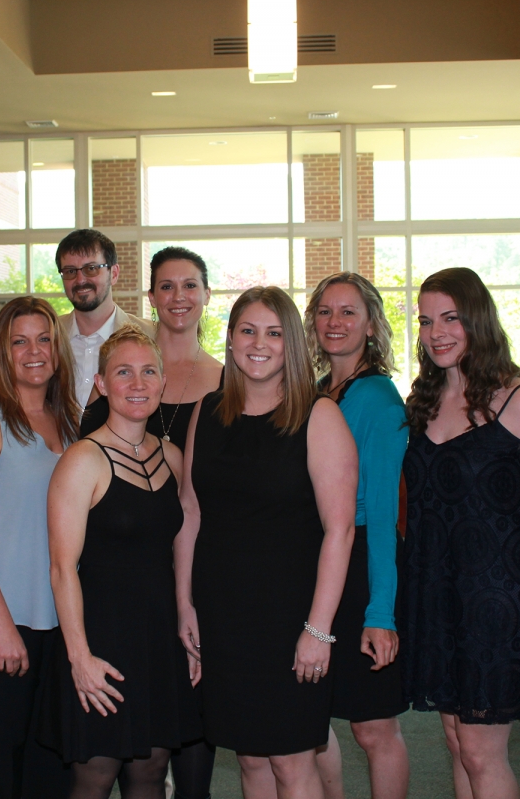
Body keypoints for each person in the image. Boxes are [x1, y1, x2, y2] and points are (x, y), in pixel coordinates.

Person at [176, 286, 358, 798]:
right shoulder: (206, 412)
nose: (260, 343)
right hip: (222, 615)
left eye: (274, 333)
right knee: (251, 760)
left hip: (291, 618)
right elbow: (190, 511)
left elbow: (340, 531)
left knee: (292, 763)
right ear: (231, 340)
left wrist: (318, 630)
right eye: (248, 331)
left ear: (292, 344)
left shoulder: (318, 416)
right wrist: (184, 604)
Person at [400, 267, 520, 799]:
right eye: (426, 321)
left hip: (497, 607)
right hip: (439, 598)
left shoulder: (518, 401)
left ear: (478, 320)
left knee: (480, 749)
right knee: (454, 740)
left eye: (451, 318)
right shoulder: (422, 398)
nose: (436, 331)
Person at [44, 326, 202, 799]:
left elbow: (180, 544)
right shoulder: (82, 459)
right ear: (101, 383)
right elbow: (61, 567)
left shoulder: (171, 457)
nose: (138, 383)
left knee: (152, 774)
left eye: (148, 371)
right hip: (101, 638)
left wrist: (185, 616)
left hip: (157, 638)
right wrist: (80, 657)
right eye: (124, 372)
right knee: (95, 776)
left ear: (161, 383)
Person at [0, 296, 80, 799]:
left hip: (55, 619)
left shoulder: (70, 421)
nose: (34, 351)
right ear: (1, 351)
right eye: (19, 341)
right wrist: (1, 625)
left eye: (44, 339)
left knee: (50, 765)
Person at [304, 272, 410, 799]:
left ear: (371, 324)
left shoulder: (379, 400)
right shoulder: (317, 391)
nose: (335, 322)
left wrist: (380, 615)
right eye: (325, 311)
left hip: (364, 566)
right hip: (322, 561)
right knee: (311, 720)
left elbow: (386, 516)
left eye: (348, 312)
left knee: (373, 727)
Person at [80, 245, 223, 450]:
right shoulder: (117, 366)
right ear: (152, 298)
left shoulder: (226, 381)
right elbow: (87, 442)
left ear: (207, 295)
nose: (178, 296)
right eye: (167, 287)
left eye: (190, 285)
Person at [54, 228, 155, 408]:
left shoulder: (151, 336)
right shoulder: (49, 336)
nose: (80, 280)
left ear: (114, 273)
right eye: (70, 271)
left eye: (91, 269)